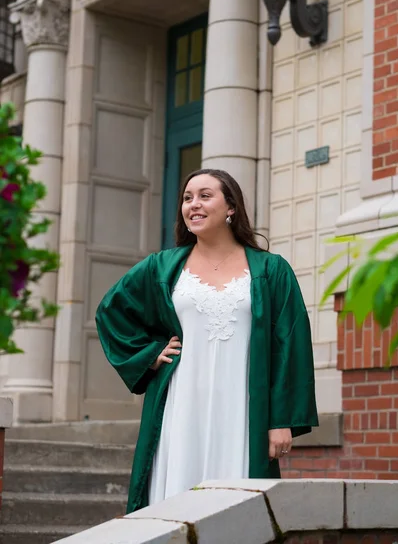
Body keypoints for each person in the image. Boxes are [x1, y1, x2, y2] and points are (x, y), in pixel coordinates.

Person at [96, 168, 318, 513]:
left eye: (204, 196)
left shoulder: (271, 270)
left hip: (244, 407)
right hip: (181, 404)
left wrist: (280, 419)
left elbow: (291, 344)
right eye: (187, 198)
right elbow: (111, 311)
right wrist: (150, 355)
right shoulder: (163, 267)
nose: (193, 205)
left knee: (239, 501)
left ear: (231, 207)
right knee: (175, 495)